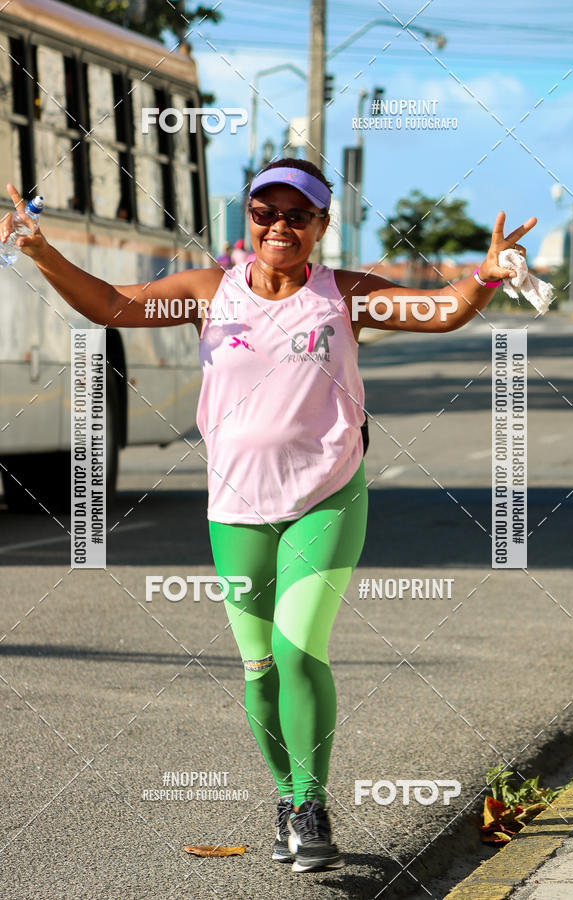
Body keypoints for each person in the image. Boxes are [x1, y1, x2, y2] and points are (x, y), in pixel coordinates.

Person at [1, 160, 536, 873]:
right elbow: (113, 307)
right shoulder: (207, 293)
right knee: (258, 671)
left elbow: (438, 311)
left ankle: (312, 808)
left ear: (321, 224)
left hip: (328, 495)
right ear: (247, 218)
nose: (279, 225)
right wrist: (38, 250)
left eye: (298, 214)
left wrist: (489, 274)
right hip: (236, 508)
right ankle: (287, 800)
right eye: (265, 211)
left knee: (296, 650)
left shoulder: (342, 295)